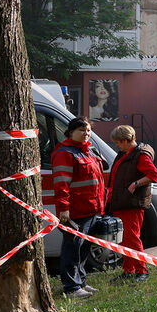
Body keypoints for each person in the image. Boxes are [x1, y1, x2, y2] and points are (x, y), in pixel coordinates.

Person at [52, 117, 108, 298]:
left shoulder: (89, 151)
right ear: (70, 132)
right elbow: (61, 184)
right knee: (72, 249)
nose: (86, 134)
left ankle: (81, 282)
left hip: (92, 209)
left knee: (83, 250)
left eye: (89, 130)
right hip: (75, 211)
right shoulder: (64, 153)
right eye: (82, 130)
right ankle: (71, 287)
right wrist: (64, 209)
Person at [107, 124, 157, 282]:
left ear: (125, 140)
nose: (116, 145)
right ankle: (128, 270)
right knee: (124, 239)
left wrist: (135, 184)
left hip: (132, 204)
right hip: (121, 202)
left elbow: (153, 175)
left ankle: (142, 271)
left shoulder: (140, 155)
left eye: (117, 142)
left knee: (132, 238)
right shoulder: (124, 153)